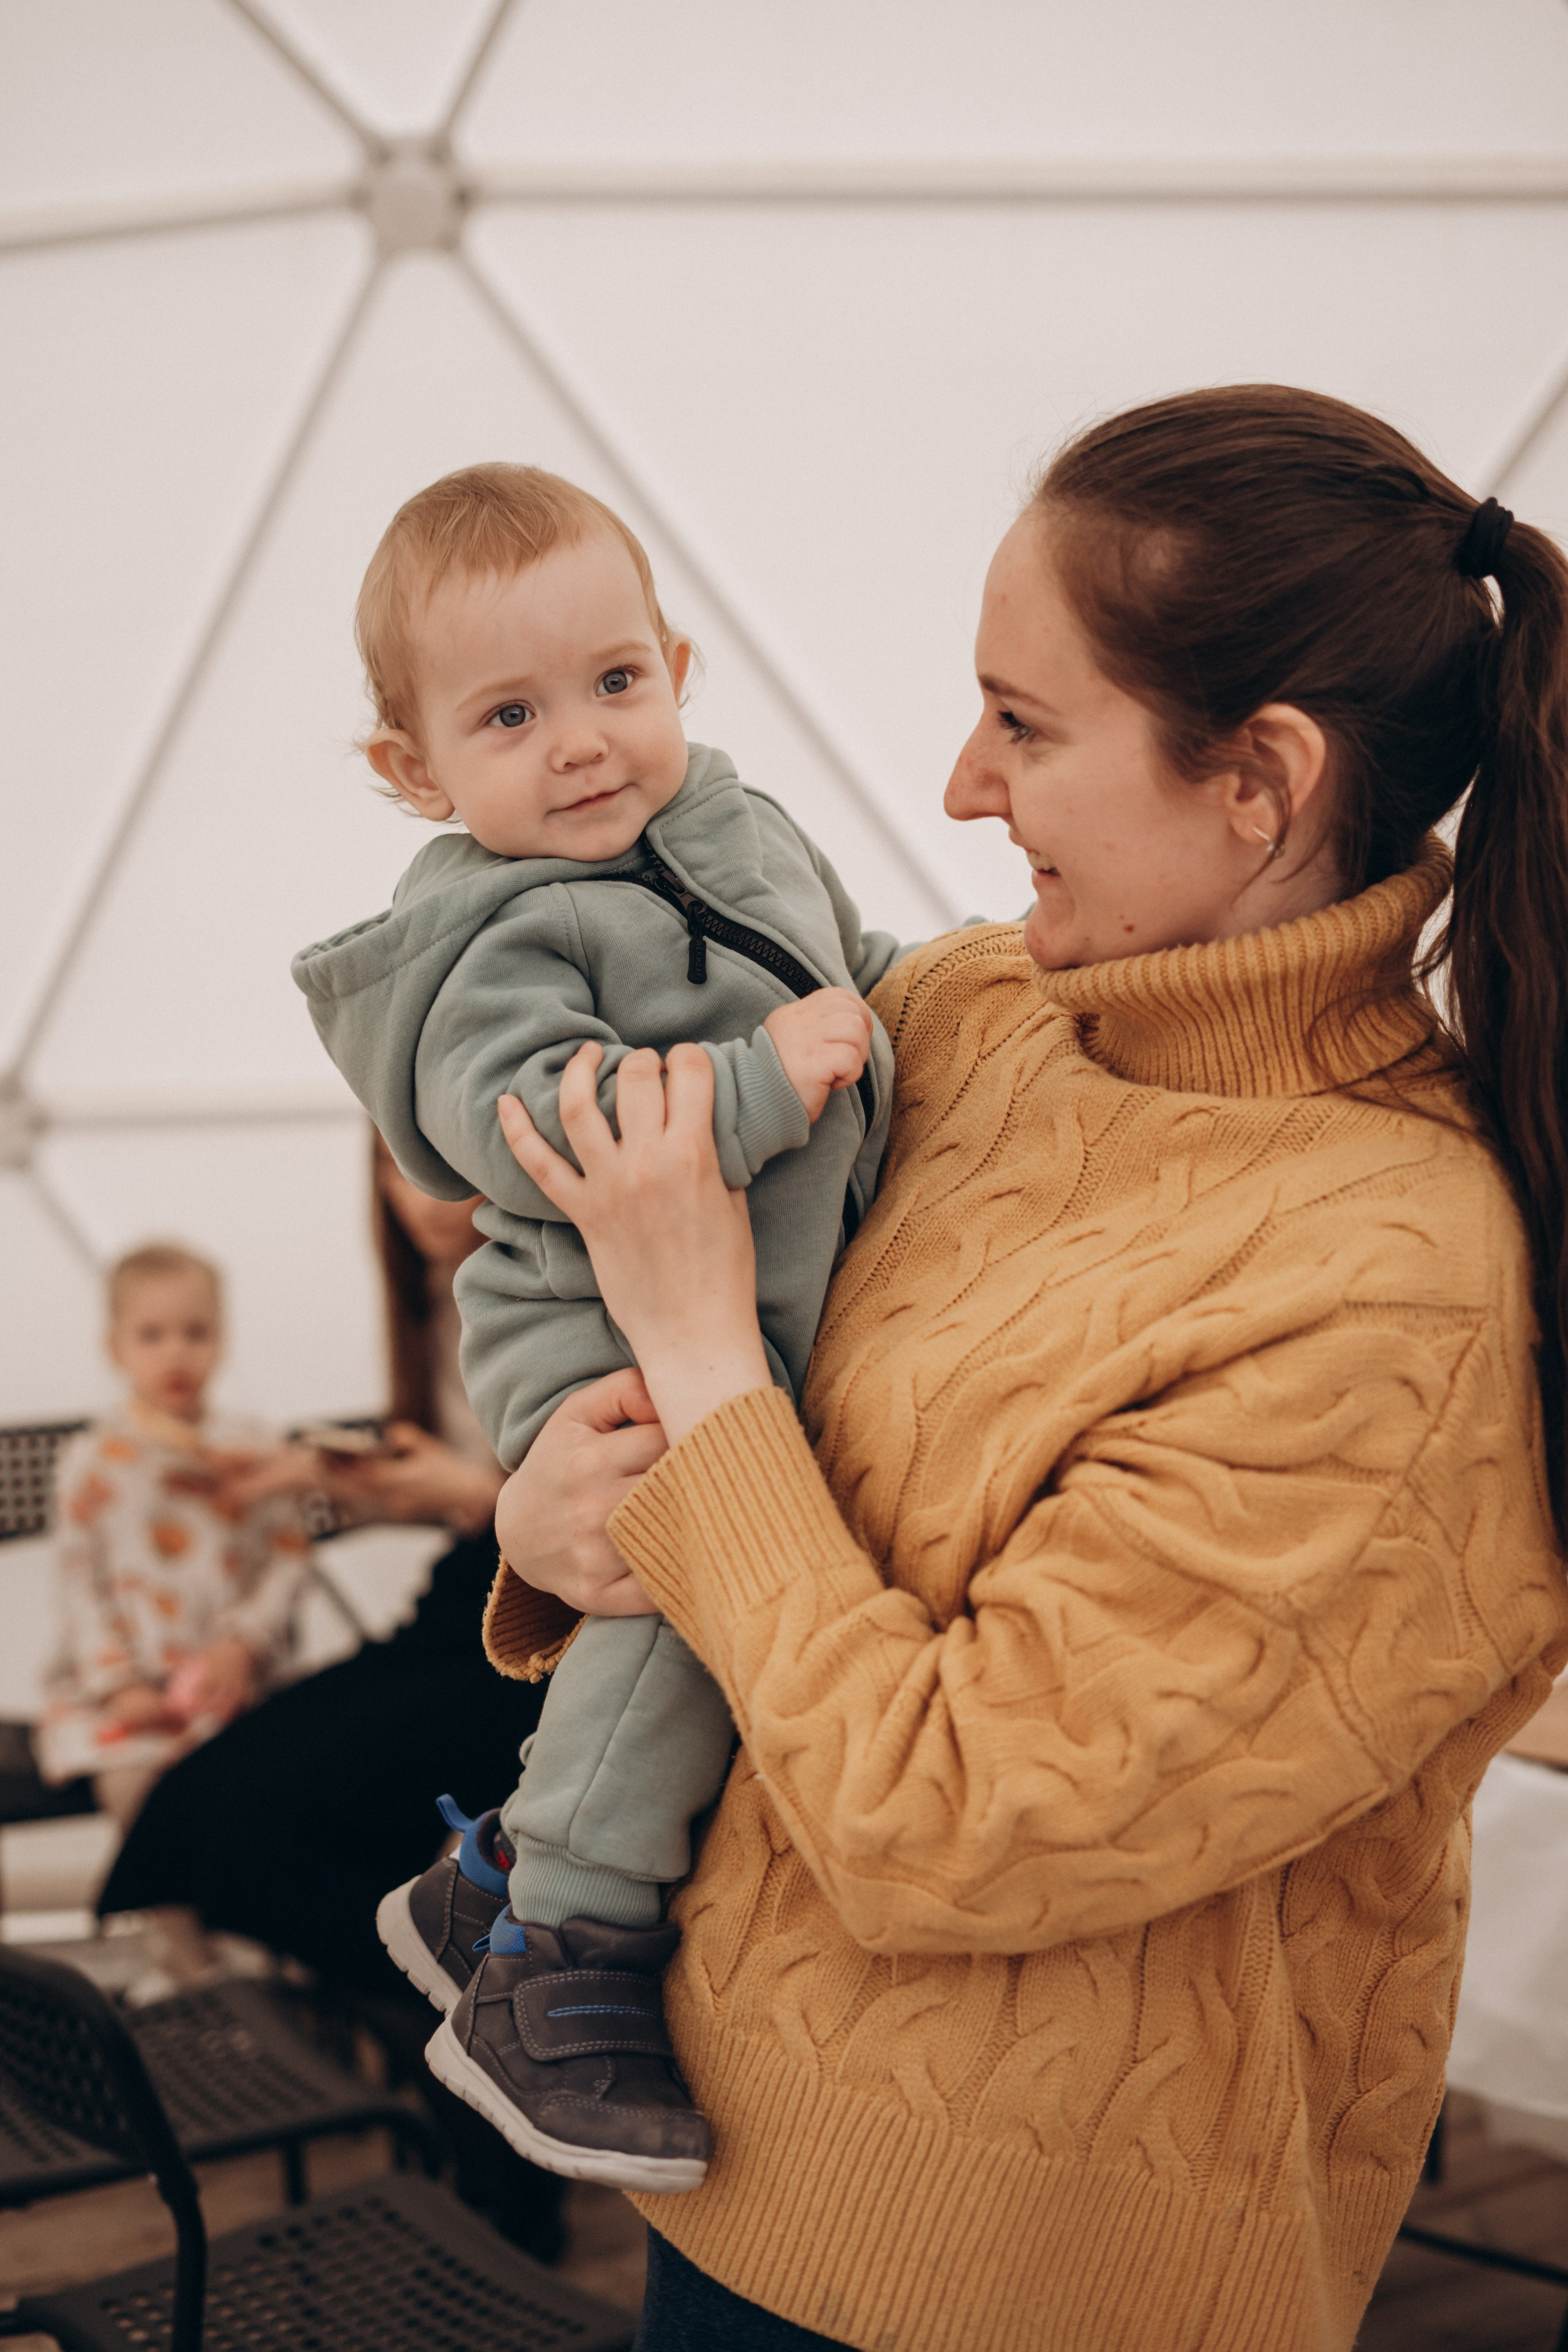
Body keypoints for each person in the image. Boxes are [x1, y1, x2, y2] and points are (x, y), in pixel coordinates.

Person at [456, 389, 1568, 2350]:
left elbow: (944, 1812)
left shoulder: (1388, 1281)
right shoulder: (973, 1013)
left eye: (1026, 722)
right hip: (710, 2157)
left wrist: (698, 1340)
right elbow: (734, 1466)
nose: (963, 784)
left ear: (1262, 782)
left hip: (1000, 2284)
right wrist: (555, 1501)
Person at [290, 463, 900, 2188]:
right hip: (589, 1325)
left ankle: (483, 1878)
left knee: (715, 1571)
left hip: (740, 1306)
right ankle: (562, 1946)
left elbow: (859, 965)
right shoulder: (489, 930)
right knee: (683, 1592)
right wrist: (750, 1087)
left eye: (614, 683)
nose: (581, 743)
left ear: (679, 667)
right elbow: (540, 1123)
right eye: (509, 713)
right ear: (414, 772)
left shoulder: (741, 829)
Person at [98, 1137, 566, 2258]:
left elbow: (586, 1511)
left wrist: (457, 1493)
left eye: (445, 1167)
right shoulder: (433, 1302)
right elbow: (463, 1493)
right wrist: (316, 1478)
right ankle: (467, 2032)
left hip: (546, 1633)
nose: (418, 1201)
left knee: (247, 1815)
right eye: (399, 1169)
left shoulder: (563, 1284)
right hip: (465, 1599)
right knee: (207, 1804)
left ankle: (480, 2055)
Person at [38, 1242, 309, 1837]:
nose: (176, 1352)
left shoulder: (253, 1449)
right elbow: (81, 1582)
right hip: (125, 1689)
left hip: (235, 1681)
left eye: (196, 1332)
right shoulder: (93, 1461)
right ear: (116, 1348)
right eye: (152, 1335)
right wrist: (119, 1682)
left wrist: (243, 1644)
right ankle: (176, 1929)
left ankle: (251, 1916)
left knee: (268, 1777)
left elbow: (288, 1557)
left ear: (222, 1338)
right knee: (132, 1783)